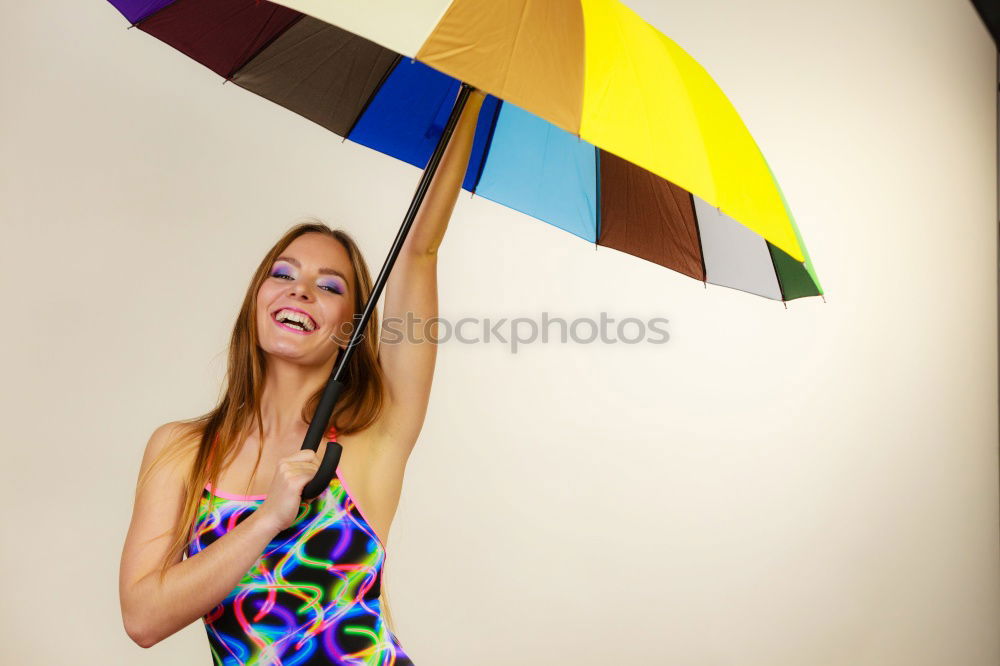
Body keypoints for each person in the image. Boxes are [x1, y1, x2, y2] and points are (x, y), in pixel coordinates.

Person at [119, 87, 486, 663]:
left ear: (350, 325)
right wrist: (267, 518)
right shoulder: (181, 451)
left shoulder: (375, 436)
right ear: (257, 298)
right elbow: (143, 618)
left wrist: (475, 86)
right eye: (283, 273)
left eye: (331, 286)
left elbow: (419, 252)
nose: (302, 289)